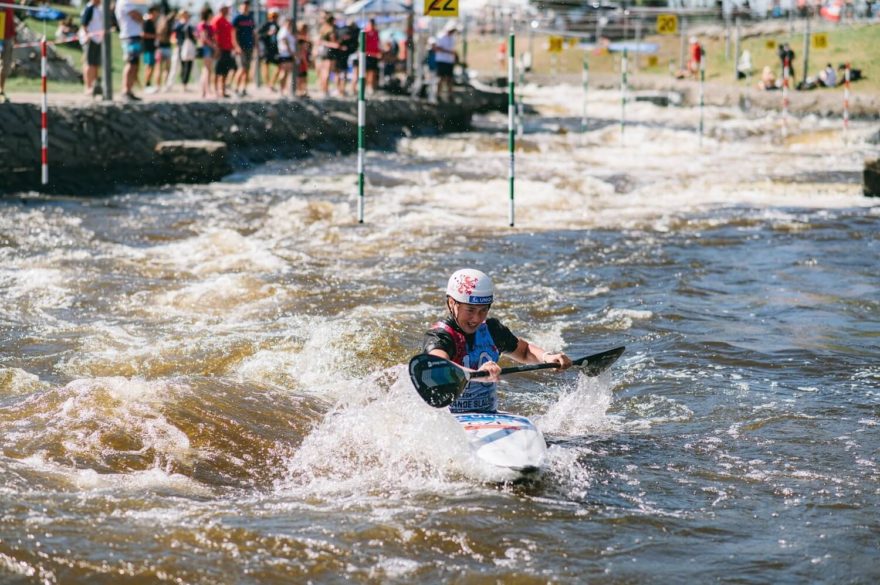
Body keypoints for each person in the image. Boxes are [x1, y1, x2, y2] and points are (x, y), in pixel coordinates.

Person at [421, 269, 572, 414]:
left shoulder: (492, 330)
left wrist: (547, 357)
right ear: (452, 303)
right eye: (470, 310)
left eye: (483, 310)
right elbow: (438, 367)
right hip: (448, 418)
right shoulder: (439, 337)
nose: (477, 319)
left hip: (489, 416)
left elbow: (525, 352)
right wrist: (478, 374)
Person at [115, 0, 145, 101]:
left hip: (133, 36)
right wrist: (143, 19)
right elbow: (136, 16)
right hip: (129, 36)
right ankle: (125, 90)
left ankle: (129, 90)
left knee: (135, 64)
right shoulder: (125, 2)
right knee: (131, 63)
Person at [211, 4, 236, 98]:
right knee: (217, 71)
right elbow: (214, 34)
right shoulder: (217, 20)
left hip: (227, 49)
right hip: (220, 49)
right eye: (226, 9)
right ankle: (216, 90)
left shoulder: (227, 21)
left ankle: (223, 90)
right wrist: (216, 48)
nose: (228, 10)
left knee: (225, 71)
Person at [79, 0, 104, 96]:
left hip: (97, 39)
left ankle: (94, 86)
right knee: (89, 63)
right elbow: (84, 24)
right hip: (90, 39)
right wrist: (87, 36)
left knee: (95, 64)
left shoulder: (98, 9)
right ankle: (88, 87)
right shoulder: (89, 8)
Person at [231, 0, 255, 96]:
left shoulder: (250, 18)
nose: (245, 7)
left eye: (247, 5)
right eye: (244, 5)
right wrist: (236, 46)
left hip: (249, 46)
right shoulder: (237, 18)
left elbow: (253, 33)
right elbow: (233, 33)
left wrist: (255, 45)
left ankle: (244, 89)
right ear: (241, 6)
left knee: (247, 69)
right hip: (240, 47)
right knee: (241, 68)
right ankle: (236, 89)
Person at [315, 13, 339, 97]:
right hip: (329, 53)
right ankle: (325, 90)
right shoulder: (331, 30)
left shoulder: (322, 29)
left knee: (323, 72)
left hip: (322, 52)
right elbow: (334, 43)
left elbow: (318, 41)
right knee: (327, 73)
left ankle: (323, 89)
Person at [173, 10, 196, 91]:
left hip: (190, 47)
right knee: (182, 66)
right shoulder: (178, 25)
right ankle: (182, 82)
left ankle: (185, 83)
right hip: (181, 46)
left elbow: (194, 35)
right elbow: (175, 35)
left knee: (189, 65)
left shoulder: (190, 24)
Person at [258, 8, 280, 91]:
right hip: (266, 49)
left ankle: (272, 83)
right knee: (265, 66)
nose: (274, 18)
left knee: (279, 66)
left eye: (275, 16)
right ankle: (268, 84)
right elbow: (259, 35)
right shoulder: (266, 25)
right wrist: (267, 34)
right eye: (272, 16)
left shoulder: (277, 26)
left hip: (274, 49)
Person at [196, 5, 216, 98]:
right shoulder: (203, 24)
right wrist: (213, 45)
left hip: (208, 48)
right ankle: (207, 90)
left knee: (206, 70)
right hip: (206, 48)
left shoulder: (208, 25)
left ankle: (203, 91)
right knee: (207, 70)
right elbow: (204, 37)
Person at [434, 23, 457, 101]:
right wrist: (449, 52)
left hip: (449, 61)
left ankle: (450, 95)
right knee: (441, 78)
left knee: (449, 79)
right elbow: (437, 48)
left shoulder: (452, 38)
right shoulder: (441, 37)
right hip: (442, 61)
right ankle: (438, 95)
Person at [272, 17, 294, 96]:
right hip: (284, 54)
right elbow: (285, 42)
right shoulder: (283, 31)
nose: (289, 25)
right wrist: (291, 52)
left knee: (287, 73)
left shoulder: (288, 31)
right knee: (284, 72)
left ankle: (285, 89)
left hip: (288, 54)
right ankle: (281, 89)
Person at [0, 0, 16, 103]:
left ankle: (1, 91)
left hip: (8, 36)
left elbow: (11, 15)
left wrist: (14, 33)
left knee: (5, 65)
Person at [140, 5, 158, 91]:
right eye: (155, 13)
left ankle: (148, 83)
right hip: (148, 48)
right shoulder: (147, 22)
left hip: (152, 47)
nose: (156, 15)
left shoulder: (152, 23)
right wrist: (154, 36)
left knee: (152, 66)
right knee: (148, 66)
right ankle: (146, 84)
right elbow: (143, 34)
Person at [363, 18, 381, 93]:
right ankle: (366, 86)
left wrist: (379, 52)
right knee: (366, 72)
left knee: (373, 72)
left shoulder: (376, 33)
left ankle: (371, 86)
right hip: (367, 55)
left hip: (374, 55)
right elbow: (362, 46)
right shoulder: (365, 33)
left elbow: (377, 44)